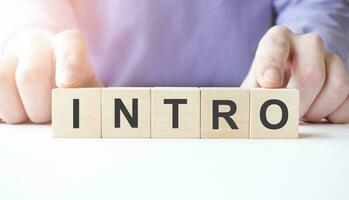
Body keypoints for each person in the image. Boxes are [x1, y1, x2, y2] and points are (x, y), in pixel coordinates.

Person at [0, 0, 348, 124]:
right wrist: (31, 36)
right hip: (92, 125)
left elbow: (315, 5)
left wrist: (307, 59)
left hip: (255, 125)